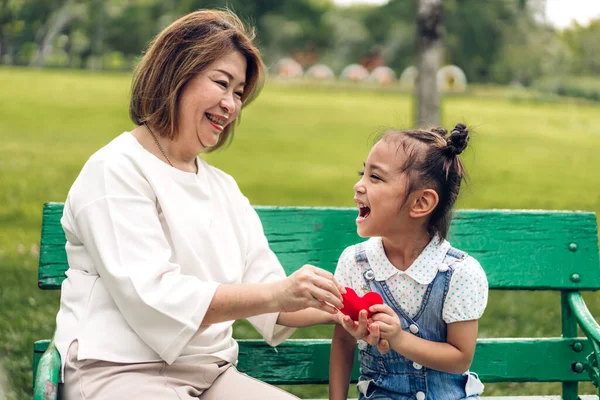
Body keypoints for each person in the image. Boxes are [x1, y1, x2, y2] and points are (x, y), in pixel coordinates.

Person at [54, 9, 344, 400]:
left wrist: (342, 305)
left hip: (210, 375)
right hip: (118, 372)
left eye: (239, 92)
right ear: (176, 74)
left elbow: (271, 301)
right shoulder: (115, 169)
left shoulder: (223, 188)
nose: (231, 104)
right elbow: (153, 297)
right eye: (221, 83)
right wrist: (277, 294)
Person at [329, 124, 489, 400]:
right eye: (362, 173)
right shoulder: (355, 263)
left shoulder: (459, 273)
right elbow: (343, 340)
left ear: (420, 203)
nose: (358, 185)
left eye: (375, 177)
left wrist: (399, 339)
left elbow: (460, 358)